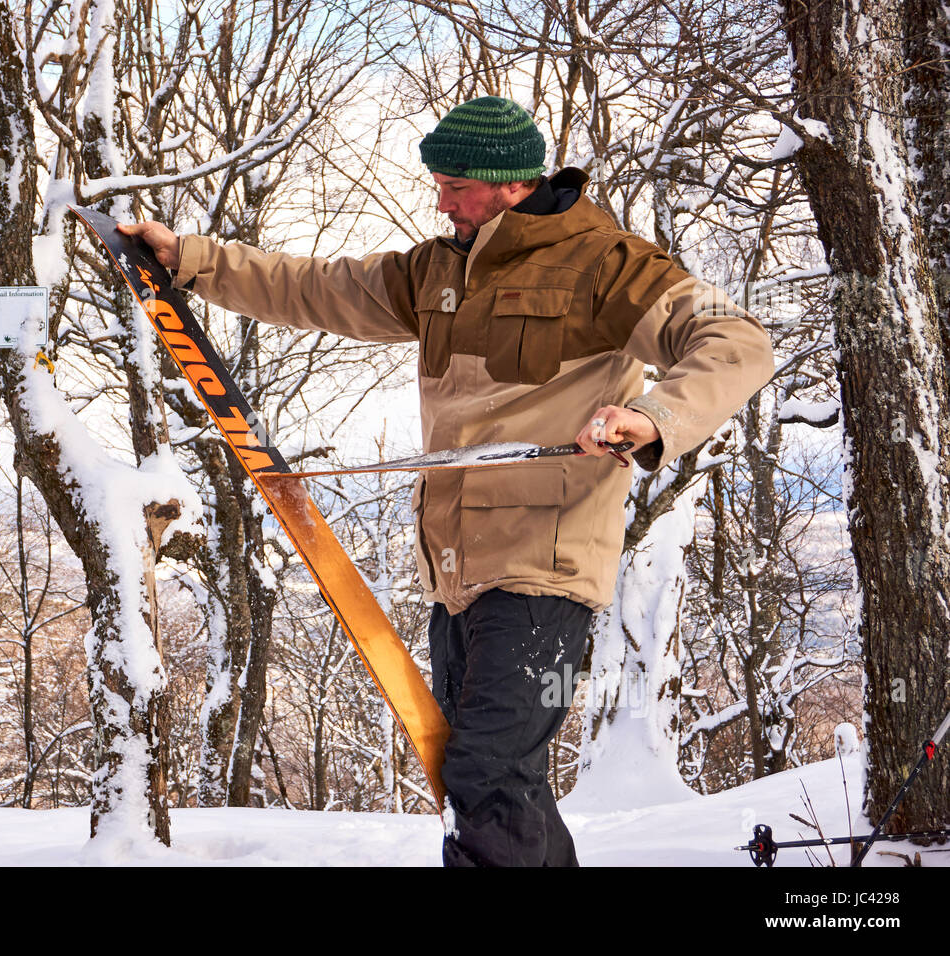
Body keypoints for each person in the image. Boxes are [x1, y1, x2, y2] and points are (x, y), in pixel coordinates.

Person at [121, 96, 775, 866]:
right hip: (457, 577)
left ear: (510, 184)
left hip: (546, 575)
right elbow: (314, 286)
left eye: (455, 185)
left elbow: (735, 338)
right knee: (504, 784)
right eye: (438, 183)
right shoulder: (439, 271)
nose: (441, 199)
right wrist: (191, 260)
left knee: (485, 778)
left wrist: (652, 417)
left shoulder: (608, 264)